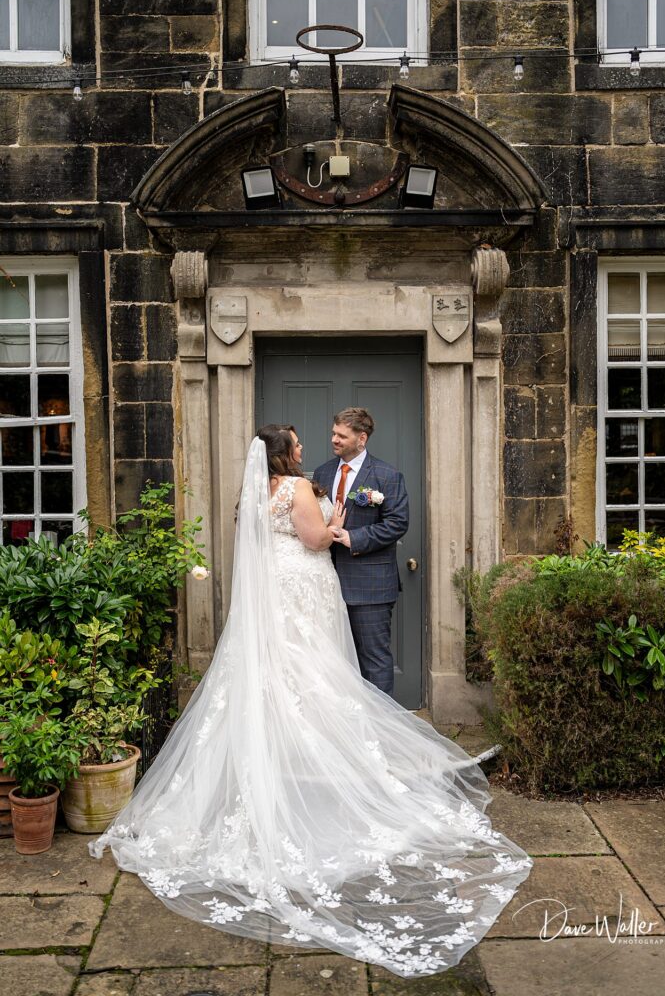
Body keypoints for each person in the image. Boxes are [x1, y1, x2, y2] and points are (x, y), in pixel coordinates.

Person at [89, 425, 532, 978]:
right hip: (302, 585)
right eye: (297, 443)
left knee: (283, 678)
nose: (307, 449)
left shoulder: (253, 490)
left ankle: (286, 761)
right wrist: (337, 524)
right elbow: (314, 541)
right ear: (283, 453)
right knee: (312, 676)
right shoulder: (298, 487)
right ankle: (315, 767)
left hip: (276, 590)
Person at [313, 408, 408, 696]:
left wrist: (353, 537)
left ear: (362, 438)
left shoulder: (386, 475)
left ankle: (381, 734)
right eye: (333, 433)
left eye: (342, 435)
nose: (334, 439)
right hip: (326, 583)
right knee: (334, 663)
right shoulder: (323, 472)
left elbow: (397, 523)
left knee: (374, 662)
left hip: (370, 588)